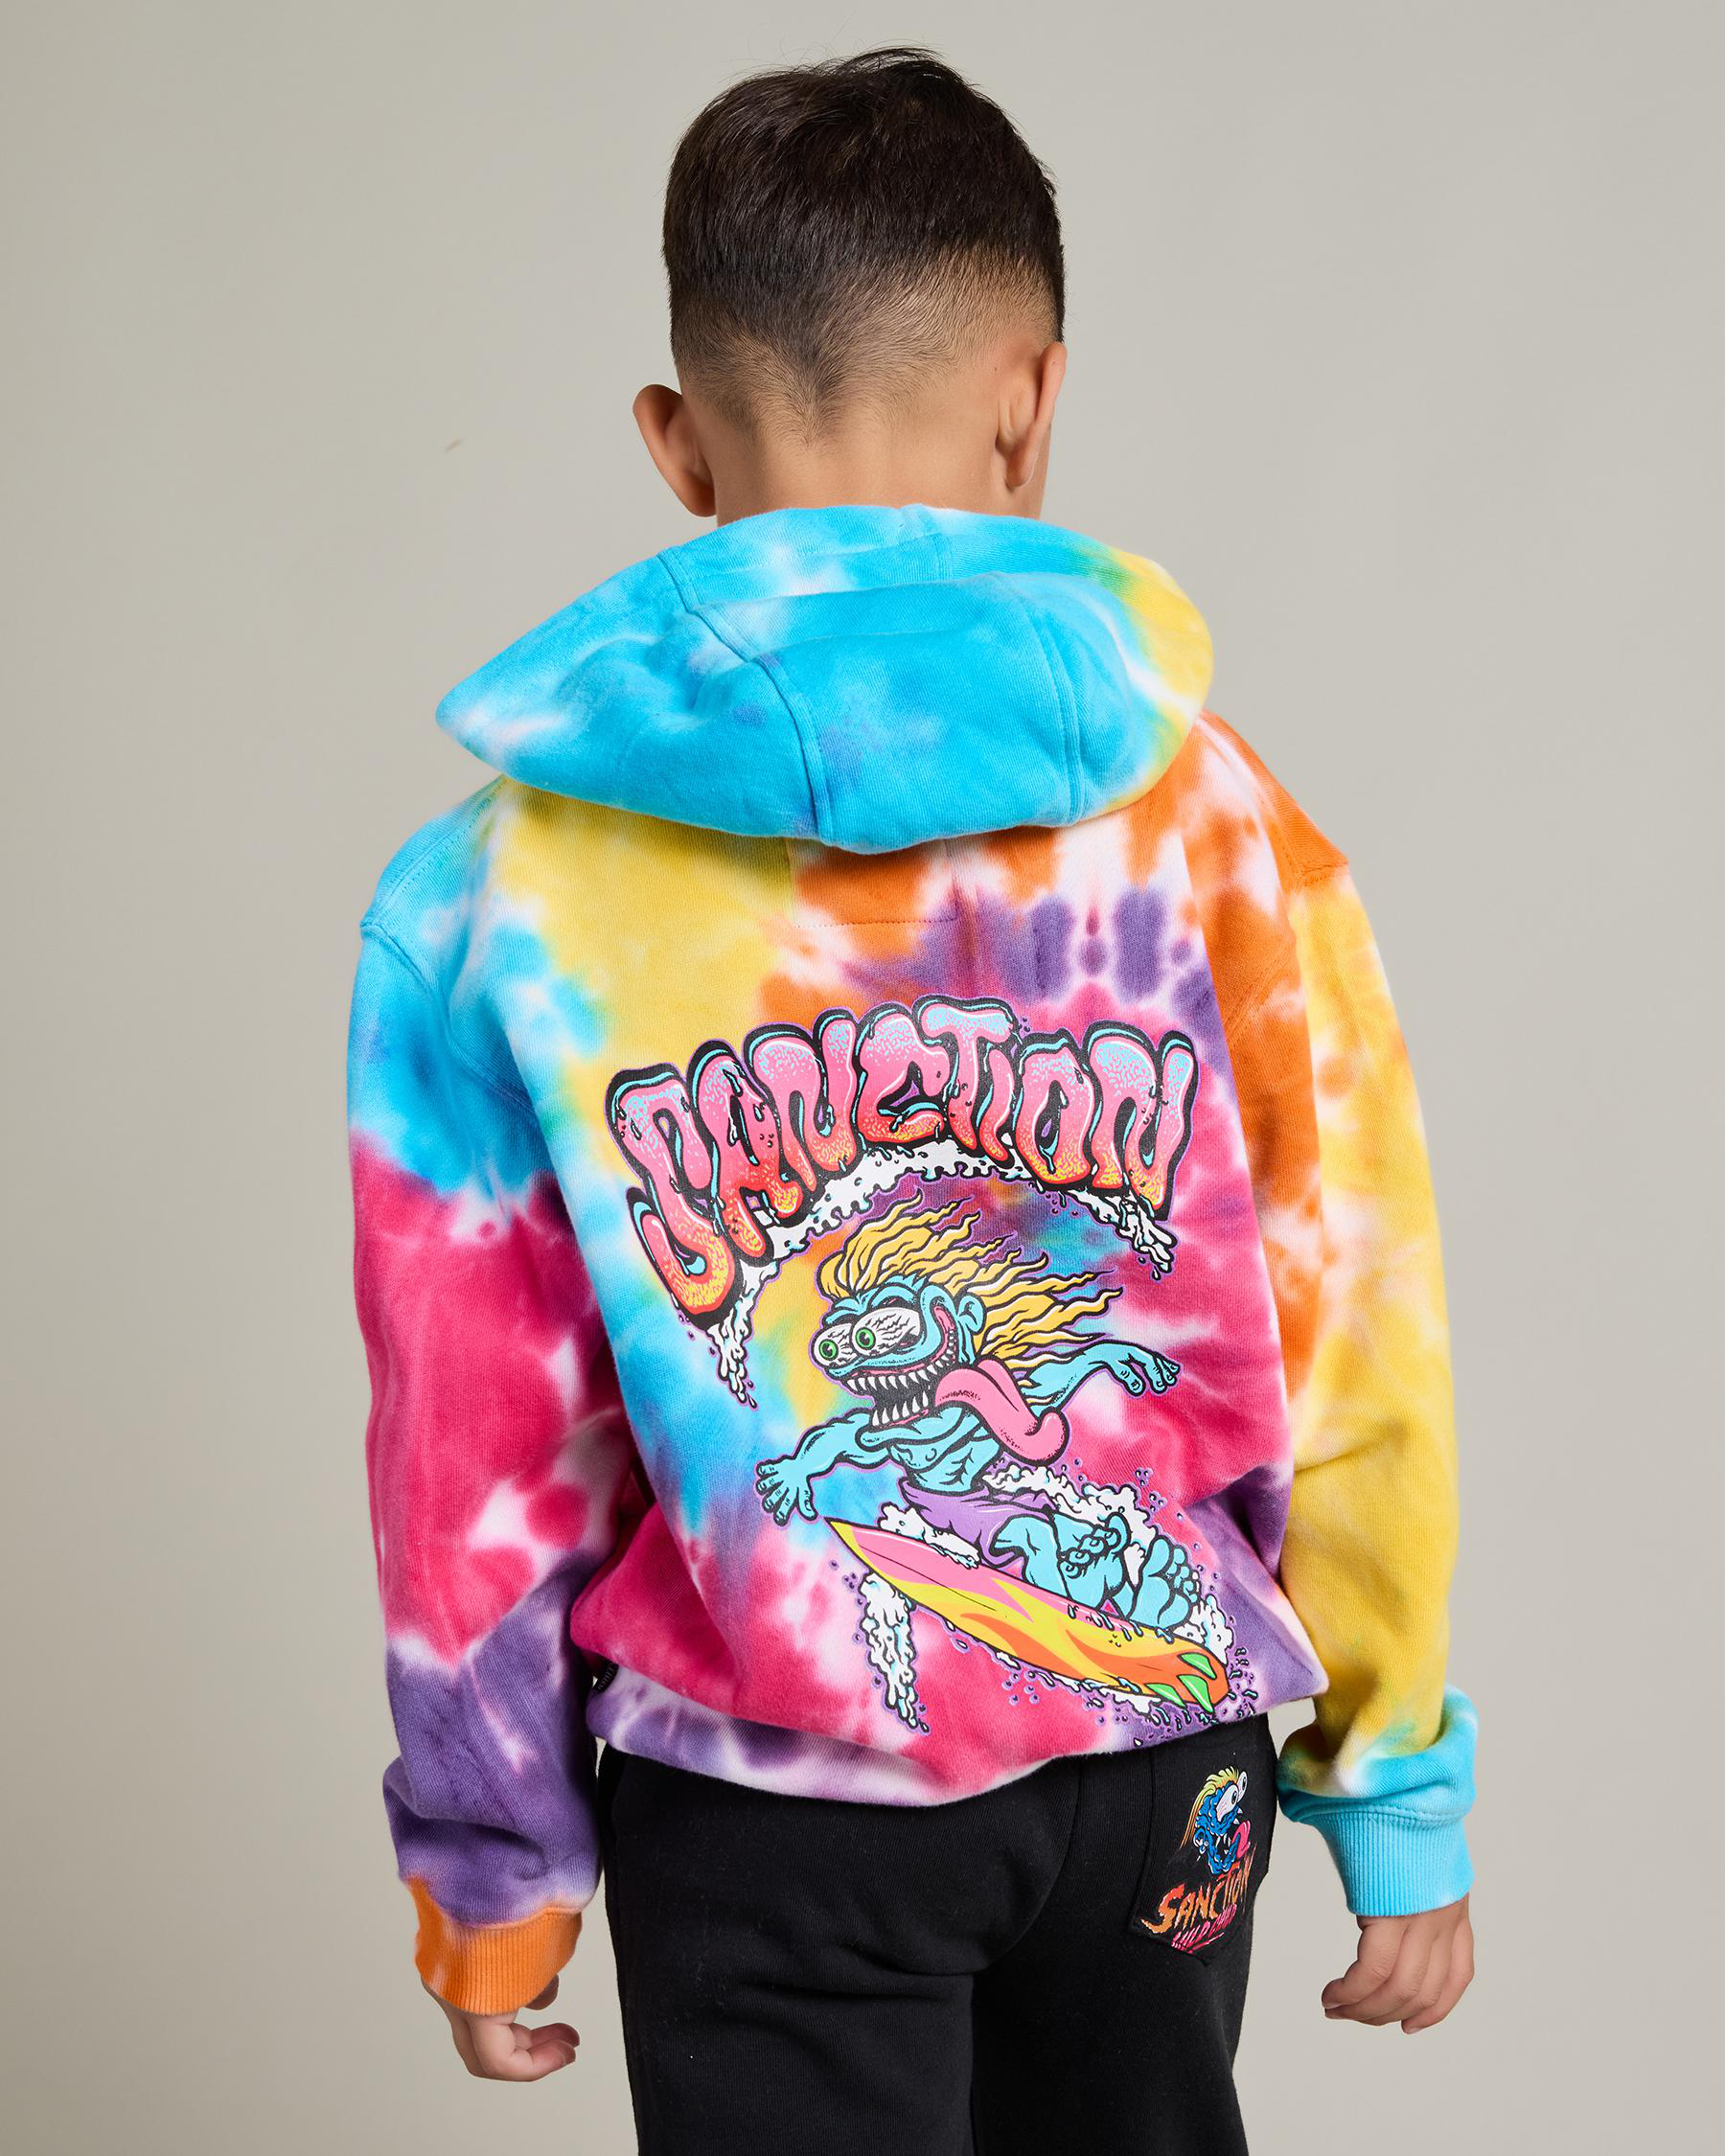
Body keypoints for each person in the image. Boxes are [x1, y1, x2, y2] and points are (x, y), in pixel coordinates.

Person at [347, 46, 1475, 2153]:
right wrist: (1389, 1767)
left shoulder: (491, 898)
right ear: (1031, 403)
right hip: (1160, 1764)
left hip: (765, 1797)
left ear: (681, 444)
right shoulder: (1219, 823)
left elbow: (474, 1449)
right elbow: (1357, 1311)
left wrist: (494, 1866)